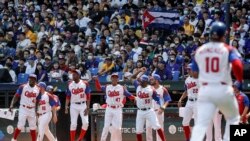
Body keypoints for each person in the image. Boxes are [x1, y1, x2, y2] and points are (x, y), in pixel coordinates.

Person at [190, 21, 243, 141]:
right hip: (223, 88)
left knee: (201, 124)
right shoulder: (227, 49)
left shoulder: (200, 50)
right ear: (223, 35)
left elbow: (194, 73)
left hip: (205, 90)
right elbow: (238, 65)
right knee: (233, 118)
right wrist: (240, 80)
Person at [93, 72, 136, 141]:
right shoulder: (107, 87)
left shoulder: (121, 88)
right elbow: (98, 88)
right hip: (109, 108)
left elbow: (128, 95)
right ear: (111, 78)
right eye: (113, 77)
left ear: (118, 79)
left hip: (117, 109)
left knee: (117, 128)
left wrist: (134, 97)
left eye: (116, 77)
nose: (114, 79)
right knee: (106, 127)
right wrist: (97, 80)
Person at [131, 68, 167, 141]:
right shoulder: (137, 86)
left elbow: (158, 99)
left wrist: (161, 106)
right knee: (138, 131)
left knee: (157, 126)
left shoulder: (151, 90)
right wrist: (140, 71)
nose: (140, 81)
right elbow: (132, 77)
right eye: (140, 80)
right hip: (140, 111)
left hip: (149, 111)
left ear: (146, 82)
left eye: (142, 80)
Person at [9, 74, 40, 141]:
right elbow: (16, 96)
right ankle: (14, 139)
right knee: (20, 125)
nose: (31, 79)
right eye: (30, 78)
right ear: (28, 79)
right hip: (23, 108)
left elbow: (37, 100)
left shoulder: (38, 88)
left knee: (33, 127)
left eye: (33, 78)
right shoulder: (23, 87)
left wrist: (36, 110)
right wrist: (11, 104)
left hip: (32, 109)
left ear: (35, 80)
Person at [65, 69, 91, 141]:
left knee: (86, 123)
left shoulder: (85, 83)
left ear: (79, 75)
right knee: (73, 124)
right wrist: (66, 106)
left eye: (75, 74)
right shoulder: (70, 84)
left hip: (83, 105)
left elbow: (88, 96)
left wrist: (88, 107)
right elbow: (68, 96)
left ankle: (80, 138)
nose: (73, 75)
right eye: (73, 74)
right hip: (73, 105)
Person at [146, 74, 171, 141]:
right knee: (148, 129)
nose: (150, 81)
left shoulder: (163, 89)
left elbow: (167, 100)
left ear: (156, 80)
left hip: (158, 111)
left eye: (152, 79)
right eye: (150, 79)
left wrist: (163, 107)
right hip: (149, 111)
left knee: (159, 129)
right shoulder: (149, 88)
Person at [177, 64, 199, 141]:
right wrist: (180, 99)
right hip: (189, 102)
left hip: (198, 102)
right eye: (187, 69)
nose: (188, 71)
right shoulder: (187, 80)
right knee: (184, 122)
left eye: (189, 69)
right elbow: (186, 91)